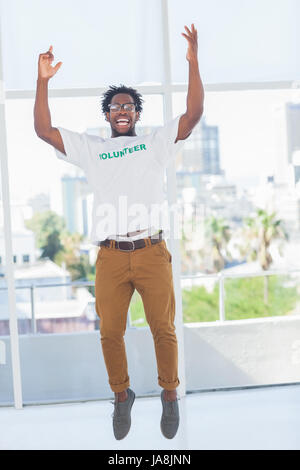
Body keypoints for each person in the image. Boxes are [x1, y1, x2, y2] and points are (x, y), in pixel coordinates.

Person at [34, 23, 204, 440]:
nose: (123, 110)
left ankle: (169, 394)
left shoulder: (154, 144)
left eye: (129, 105)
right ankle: (122, 395)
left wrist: (193, 63)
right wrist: (41, 83)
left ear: (137, 114)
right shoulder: (92, 149)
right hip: (110, 256)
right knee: (110, 331)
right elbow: (43, 130)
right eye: (115, 107)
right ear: (108, 115)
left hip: (151, 250)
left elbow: (193, 114)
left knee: (164, 329)